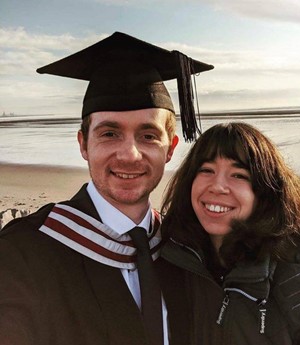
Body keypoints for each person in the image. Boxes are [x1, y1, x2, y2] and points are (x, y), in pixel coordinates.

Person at [0, 32, 213, 345]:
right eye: (110, 134)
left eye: (148, 135)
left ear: (170, 149)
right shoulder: (23, 254)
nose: (129, 154)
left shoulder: (187, 251)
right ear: (83, 144)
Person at [160, 122, 300, 345]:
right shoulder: (175, 262)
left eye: (238, 175)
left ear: (266, 191)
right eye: (206, 170)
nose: (217, 186)